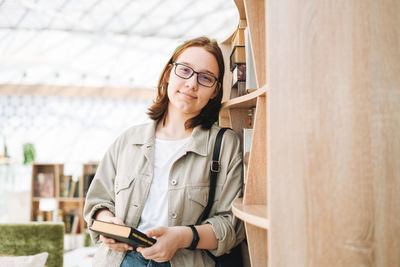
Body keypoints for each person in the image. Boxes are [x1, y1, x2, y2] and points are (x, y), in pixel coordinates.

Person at [84, 36, 244, 267]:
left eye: (205, 78)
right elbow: (97, 202)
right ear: (169, 73)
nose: (191, 84)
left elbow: (231, 226)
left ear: (215, 90)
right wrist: (108, 225)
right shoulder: (128, 140)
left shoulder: (225, 145)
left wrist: (181, 237)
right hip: (119, 261)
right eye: (185, 70)